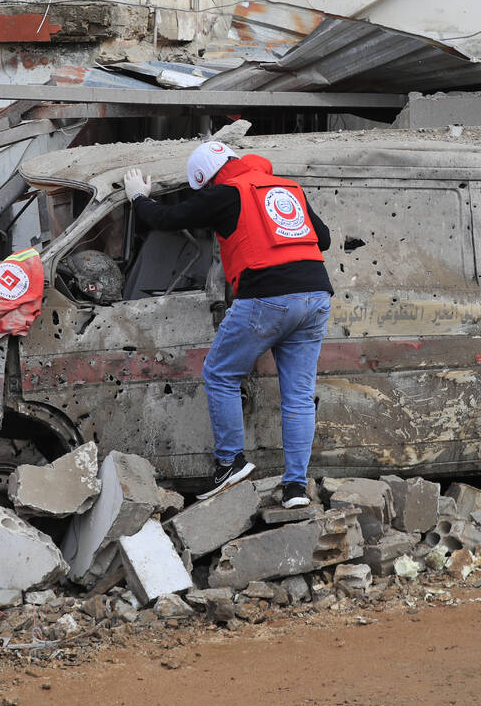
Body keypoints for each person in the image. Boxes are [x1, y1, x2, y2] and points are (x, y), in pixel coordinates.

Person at [124, 141, 332, 509]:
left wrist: (139, 198)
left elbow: (167, 220)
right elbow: (324, 238)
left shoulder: (225, 192)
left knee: (220, 373)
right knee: (298, 397)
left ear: (207, 180)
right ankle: (296, 488)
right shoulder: (288, 187)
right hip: (315, 295)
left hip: (266, 297)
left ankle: (230, 462)